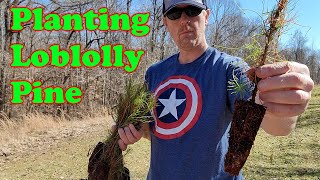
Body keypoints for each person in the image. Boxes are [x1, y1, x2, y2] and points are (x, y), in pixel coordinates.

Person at [115, 0, 314, 179]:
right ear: (166, 23)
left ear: (207, 16)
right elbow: (152, 129)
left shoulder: (230, 69)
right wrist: (135, 132)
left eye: (192, 10)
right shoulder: (154, 73)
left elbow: (273, 123)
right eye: (175, 13)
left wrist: (284, 106)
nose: (184, 19)